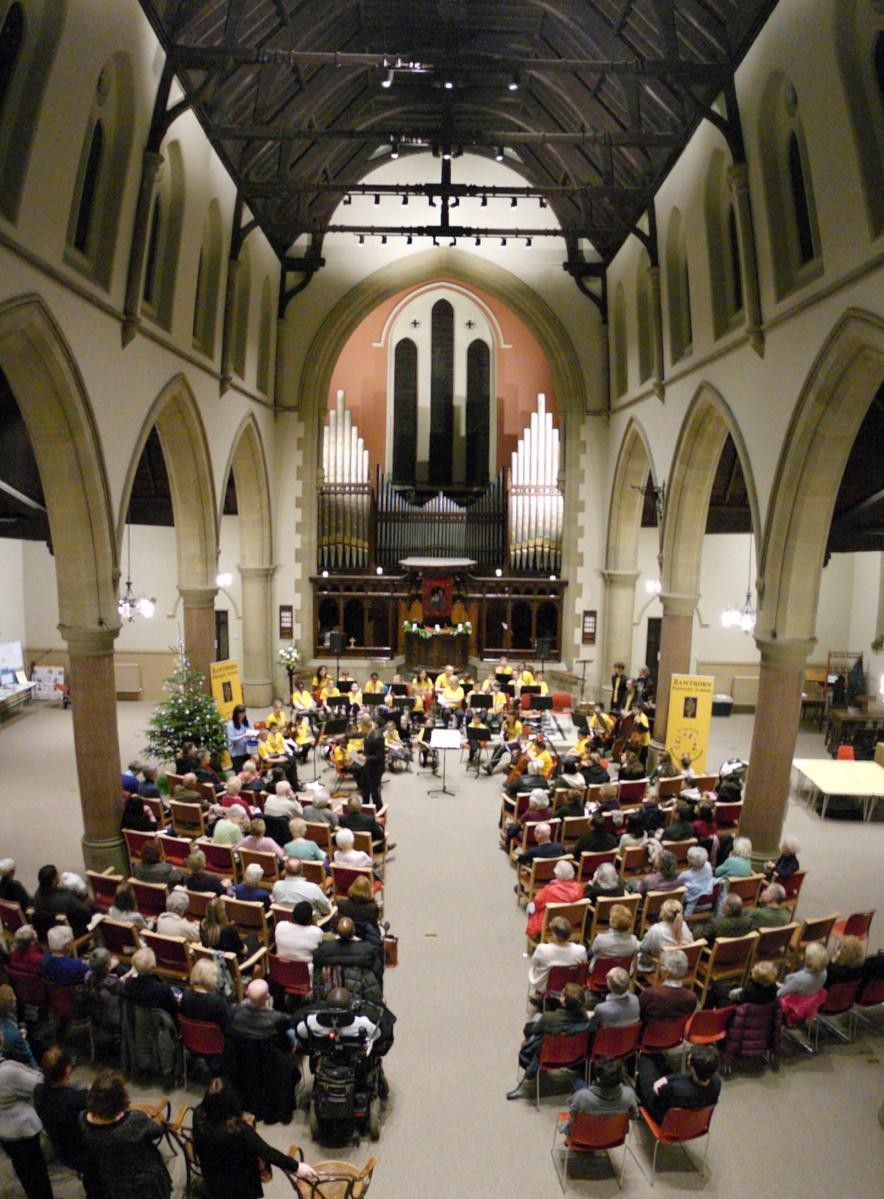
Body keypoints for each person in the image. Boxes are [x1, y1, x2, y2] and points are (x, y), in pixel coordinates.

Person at [192, 1077, 316, 1199]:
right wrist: (297, 1166)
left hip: (212, 1177)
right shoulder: (237, 1129)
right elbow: (267, 1152)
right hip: (238, 1185)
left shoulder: (198, 1114)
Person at [81, 1070, 172, 1199]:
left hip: (111, 1175)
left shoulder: (83, 1118)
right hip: (142, 1177)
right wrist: (158, 1118)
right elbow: (158, 1130)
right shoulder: (133, 1121)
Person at [34, 1045, 100, 1197]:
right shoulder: (78, 1099)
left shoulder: (38, 1092)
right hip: (86, 1153)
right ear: (67, 1070)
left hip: (61, 1150)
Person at [507, 983, 592, 1099]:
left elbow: (535, 1031)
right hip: (574, 1056)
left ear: (564, 1001)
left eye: (562, 994)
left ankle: (527, 1081)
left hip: (548, 1055)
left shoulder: (549, 1017)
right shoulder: (584, 1017)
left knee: (535, 1020)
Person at [0, 1056, 53, 1199]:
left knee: (23, 1171)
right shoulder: (7, 1071)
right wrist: (30, 1070)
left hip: (4, 1131)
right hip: (22, 1131)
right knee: (36, 1173)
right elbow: (39, 1083)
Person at [637, 1045, 721, 1125]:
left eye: (689, 1060)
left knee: (645, 1063)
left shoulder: (675, 1088)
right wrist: (667, 1079)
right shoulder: (717, 1083)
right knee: (661, 1063)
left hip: (664, 1119)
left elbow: (657, 1091)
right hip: (692, 1122)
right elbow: (685, 1076)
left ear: (693, 1069)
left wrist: (661, 1084)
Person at [312, 916, 383, 1004]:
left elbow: (316, 978)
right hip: (357, 1002)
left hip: (326, 1001)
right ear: (354, 931)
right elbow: (376, 975)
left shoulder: (323, 950)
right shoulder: (366, 951)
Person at [566, 1055, 638, 1131]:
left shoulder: (582, 1096)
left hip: (584, 1138)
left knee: (578, 1082)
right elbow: (634, 1116)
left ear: (598, 1078)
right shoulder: (629, 1094)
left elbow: (572, 1116)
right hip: (615, 1137)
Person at [295, 985, 379, 1046]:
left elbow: (301, 1032)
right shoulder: (362, 1023)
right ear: (350, 1006)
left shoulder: (311, 1021)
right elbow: (376, 1034)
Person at [527, 916, 588, 1001]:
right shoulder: (581, 950)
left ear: (554, 935)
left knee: (536, 968)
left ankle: (539, 995)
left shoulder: (542, 949)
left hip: (548, 987)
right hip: (572, 987)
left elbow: (534, 963)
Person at [525, 860, 583, 940]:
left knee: (530, 907)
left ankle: (536, 937)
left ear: (557, 874)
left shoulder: (550, 890)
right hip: (572, 922)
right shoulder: (579, 888)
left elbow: (537, 903)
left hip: (550, 923)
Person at [34, 863, 93, 938]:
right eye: (57, 875)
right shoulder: (66, 898)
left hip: (50, 936)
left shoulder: (37, 896)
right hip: (72, 934)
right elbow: (87, 912)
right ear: (54, 880)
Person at [636, 898, 694, 974]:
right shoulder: (684, 925)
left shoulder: (656, 930)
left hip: (661, 969)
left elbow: (643, 948)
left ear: (662, 913)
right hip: (681, 966)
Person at [638, 949, 698, 1021]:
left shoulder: (649, 994)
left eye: (662, 966)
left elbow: (638, 1016)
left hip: (651, 1031)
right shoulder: (692, 998)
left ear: (667, 973)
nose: (660, 968)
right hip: (676, 1032)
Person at [123, 947, 178, 1017]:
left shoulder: (128, 983)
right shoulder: (163, 989)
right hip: (161, 1025)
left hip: (137, 1023)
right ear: (153, 967)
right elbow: (174, 1010)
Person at [274, 900, 324, 967]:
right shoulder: (316, 932)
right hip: (305, 975)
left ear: (293, 915)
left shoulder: (280, 926)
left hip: (281, 971)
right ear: (310, 919)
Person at [0, 983, 35, 1065]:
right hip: (14, 1060)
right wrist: (23, 1037)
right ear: (13, 1003)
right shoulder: (13, 1034)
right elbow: (27, 1055)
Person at [677, 846, 713, 916]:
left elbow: (677, 883)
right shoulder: (708, 865)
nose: (687, 857)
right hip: (707, 898)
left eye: (688, 856)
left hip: (692, 900)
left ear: (691, 862)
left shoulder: (686, 875)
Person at [227, 705, 257, 772]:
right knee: (240, 772)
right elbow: (231, 738)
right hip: (236, 754)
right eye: (240, 713)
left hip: (247, 751)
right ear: (236, 713)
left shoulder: (247, 721)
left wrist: (253, 735)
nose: (242, 715)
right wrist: (243, 735)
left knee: (248, 771)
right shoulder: (230, 724)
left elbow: (253, 731)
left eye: (243, 713)